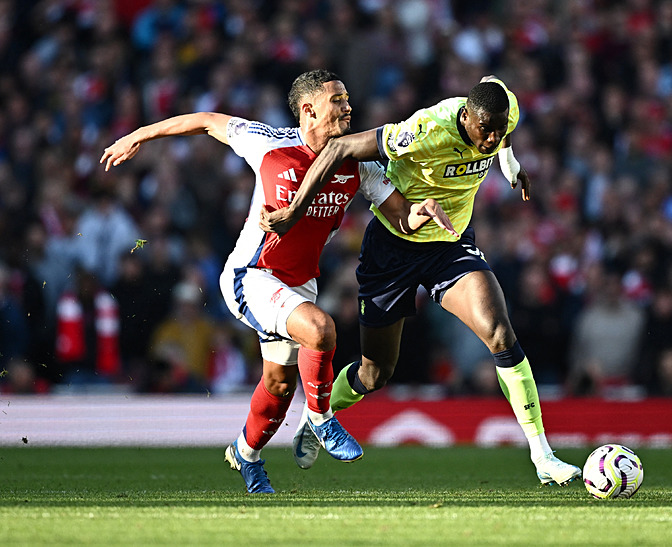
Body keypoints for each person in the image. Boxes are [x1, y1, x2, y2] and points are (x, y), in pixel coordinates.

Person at [100, 69, 456, 493]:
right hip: (252, 275)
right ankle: (323, 421)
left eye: (347, 99)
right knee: (321, 329)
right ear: (309, 110)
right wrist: (140, 134)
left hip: (299, 283)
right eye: (338, 101)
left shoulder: (357, 161)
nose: (348, 107)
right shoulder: (270, 142)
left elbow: (400, 215)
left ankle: (245, 454)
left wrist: (422, 211)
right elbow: (206, 121)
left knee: (279, 384)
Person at [260, 76, 582, 486]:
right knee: (376, 373)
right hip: (393, 245)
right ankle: (318, 413)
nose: (490, 140)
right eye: (486, 133)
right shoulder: (424, 129)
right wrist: (293, 211)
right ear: (465, 116)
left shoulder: (502, 111)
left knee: (499, 332)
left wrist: (508, 158)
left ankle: (544, 458)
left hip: (449, 242)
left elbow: (490, 83)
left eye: (500, 132)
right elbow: (340, 147)